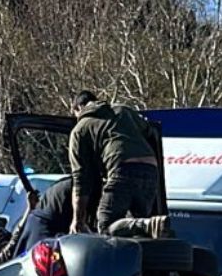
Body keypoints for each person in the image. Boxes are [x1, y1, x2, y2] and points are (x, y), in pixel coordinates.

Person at [68, 90, 170, 238]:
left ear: (78, 108)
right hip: (151, 169)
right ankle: (146, 228)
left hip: (123, 170)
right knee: (138, 234)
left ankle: (145, 224)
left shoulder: (80, 129)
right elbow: (149, 130)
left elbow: (80, 179)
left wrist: (78, 219)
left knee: (105, 225)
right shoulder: (124, 110)